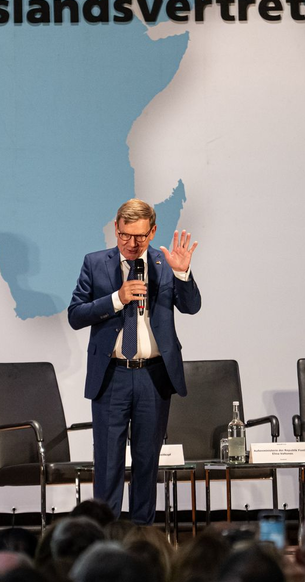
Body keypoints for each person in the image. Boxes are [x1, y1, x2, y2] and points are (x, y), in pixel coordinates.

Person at [67, 199, 200, 524]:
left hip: (153, 377)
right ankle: (105, 540)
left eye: (140, 237)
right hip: (111, 376)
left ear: (152, 232)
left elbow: (192, 306)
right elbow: (75, 315)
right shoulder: (95, 263)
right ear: (116, 228)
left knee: (146, 462)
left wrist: (182, 273)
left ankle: (142, 537)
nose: (131, 243)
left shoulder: (165, 262)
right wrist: (117, 298)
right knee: (108, 462)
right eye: (125, 235)